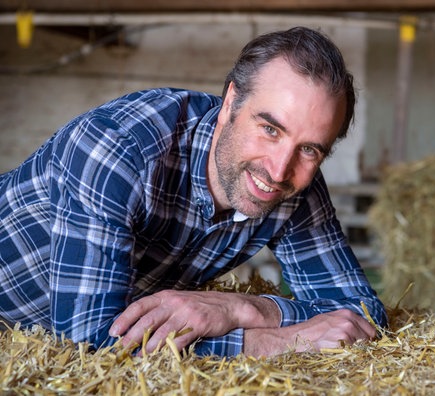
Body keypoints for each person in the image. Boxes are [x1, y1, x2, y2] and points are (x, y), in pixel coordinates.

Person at [0, 26, 387, 357]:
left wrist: (242, 310)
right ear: (231, 102)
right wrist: (275, 342)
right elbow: (90, 348)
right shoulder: (118, 147)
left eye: (309, 149)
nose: (279, 168)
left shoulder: (295, 182)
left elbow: (363, 313)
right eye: (270, 129)